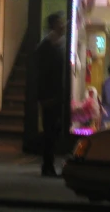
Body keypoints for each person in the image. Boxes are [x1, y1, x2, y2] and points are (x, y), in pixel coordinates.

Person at [34, 11, 66, 177]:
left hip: (54, 96)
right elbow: (43, 74)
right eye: (60, 23)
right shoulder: (47, 46)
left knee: (53, 131)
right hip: (50, 97)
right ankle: (47, 166)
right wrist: (44, 97)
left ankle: (49, 165)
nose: (63, 26)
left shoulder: (56, 44)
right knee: (50, 132)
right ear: (54, 25)